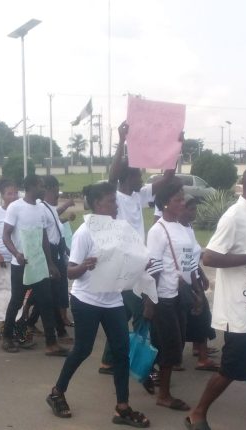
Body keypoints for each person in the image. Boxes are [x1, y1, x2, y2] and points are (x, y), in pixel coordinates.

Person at [46, 182, 151, 427]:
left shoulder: (119, 230)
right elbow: (70, 271)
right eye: (111, 201)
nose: (116, 205)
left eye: (115, 200)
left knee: (121, 352)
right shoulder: (85, 233)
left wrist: (141, 264)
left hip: (113, 300)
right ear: (96, 204)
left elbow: (126, 260)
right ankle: (56, 392)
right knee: (83, 349)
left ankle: (122, 408)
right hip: (87, 300)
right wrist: (84, 266)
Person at [185, 164, 246, 430]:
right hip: (239, 312)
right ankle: (197, 413)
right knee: (231, 369)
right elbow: (209, 257)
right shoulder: (234, 216)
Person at [100, 121, 176, 373]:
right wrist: (122, 140)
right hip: (122, 265)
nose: (142, 179)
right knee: (140, 311)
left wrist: (175, 147)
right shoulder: (115, 196)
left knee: (124, 313)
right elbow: (113, 175)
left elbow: (168, 178)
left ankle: (110, 360)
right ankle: (136, 359)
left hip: (136, 263)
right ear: (127, 178)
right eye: (138, 175)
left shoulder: (138, 195)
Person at [1, 174, 67, 355]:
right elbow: (5, 235)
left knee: (46, 301)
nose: (44, 189)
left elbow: (44, 238)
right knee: (16, 301)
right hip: (21, 264)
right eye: (41, 186)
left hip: (38, 264)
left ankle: (51, 344)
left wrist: (50, 263)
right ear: (31, 187)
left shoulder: (41, 209)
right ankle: (7, 337)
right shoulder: (16, 207)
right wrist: (16, 253)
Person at [144, 181, 191, 411]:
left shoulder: (181, 227)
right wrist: (150, 302)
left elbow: (186, 261)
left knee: (177, 343)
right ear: (164, 203)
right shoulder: (158, 230)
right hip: (163, 297)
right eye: (177, 200)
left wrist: (195, 290)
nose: (182, 203)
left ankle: (149, 373)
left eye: (183, 199)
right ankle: (163, 395)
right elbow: (152, 267)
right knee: (170, 346)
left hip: (179, 294)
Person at [28, 175, 76, 340]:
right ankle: (59, 331)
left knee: (48, 293)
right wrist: (50, 262)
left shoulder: (50, 208)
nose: (57, 195)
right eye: (56, 191)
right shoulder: (41, 208)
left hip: (57, 253)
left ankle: (29, 321)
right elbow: (43, 236)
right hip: (49, 255)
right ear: (48, 189)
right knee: (51, 294)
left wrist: (66, 250)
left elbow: (56, 228)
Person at [178, 196, 218, 371]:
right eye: (191, 209)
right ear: (181, 209)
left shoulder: (189, 228)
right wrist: (196, 285)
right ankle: (201, 358)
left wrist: (202, 274)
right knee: (199, 316)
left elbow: (194, 256)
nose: (195, 212)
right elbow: (185, 260)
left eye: (195, 208)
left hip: (193, 277)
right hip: (184, 281)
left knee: (199, 316)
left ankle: (198, 349)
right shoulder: (177, 230)